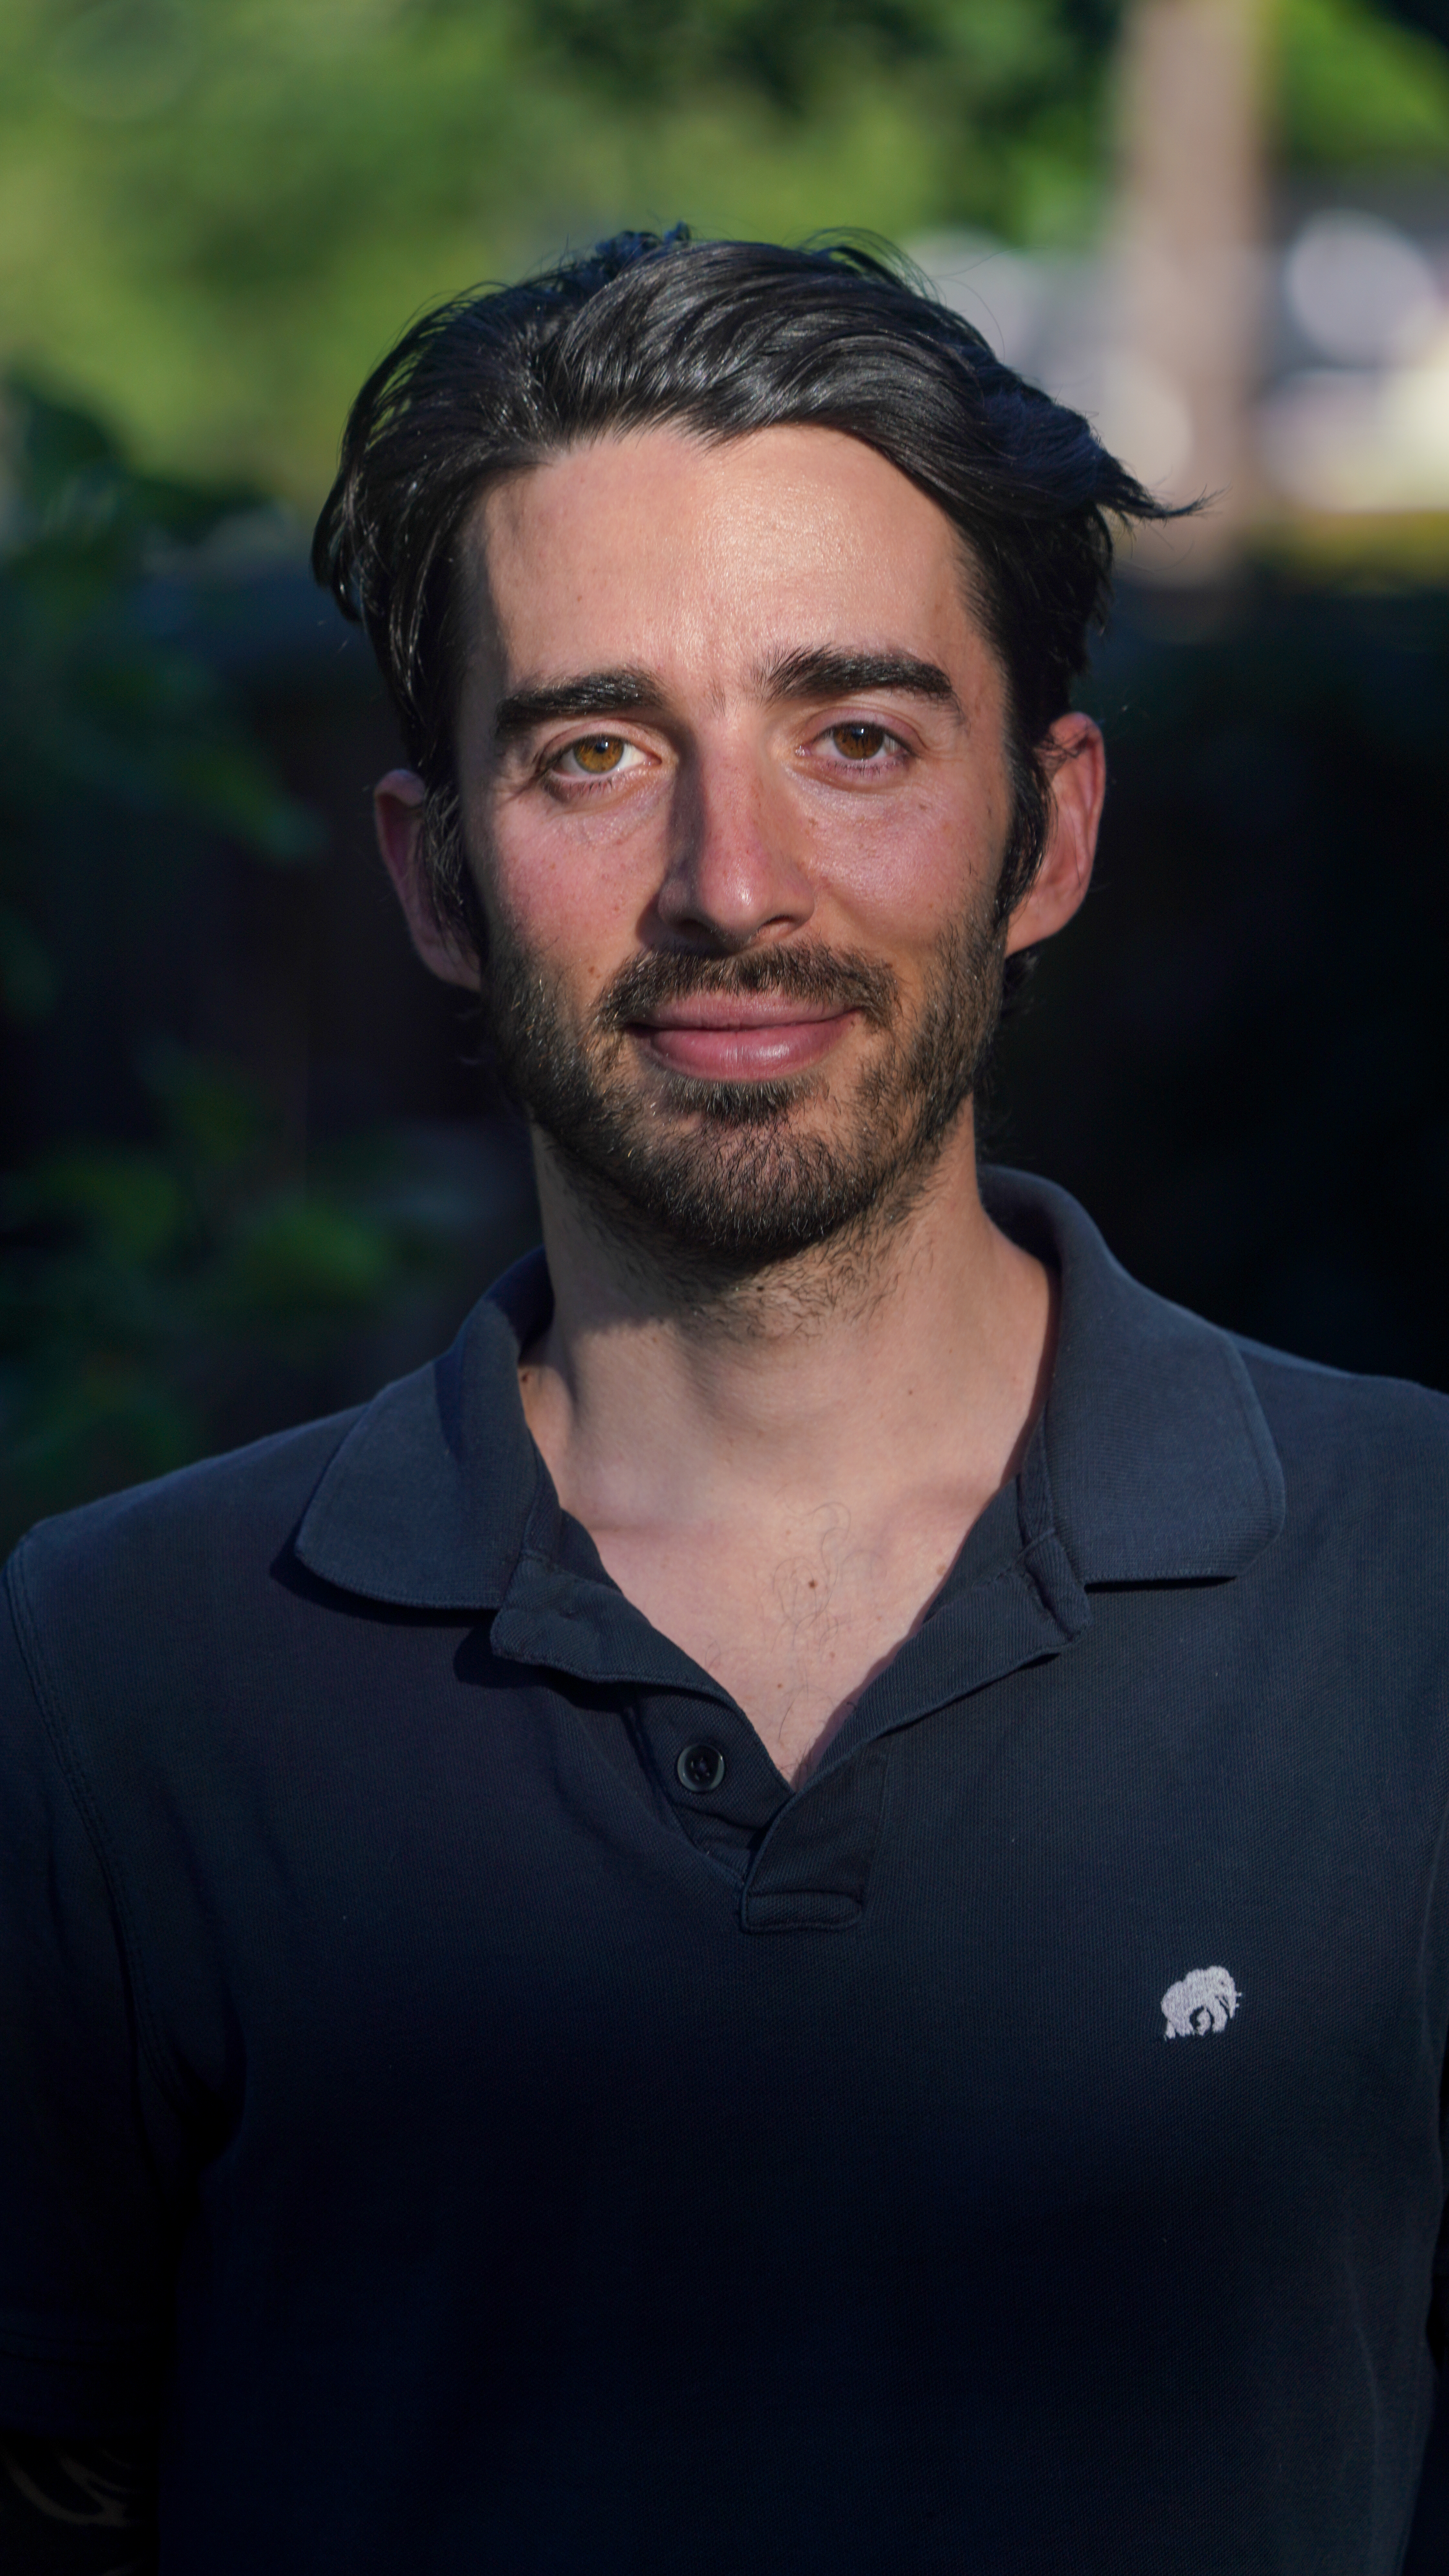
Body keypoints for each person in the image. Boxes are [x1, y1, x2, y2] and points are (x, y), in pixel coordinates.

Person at [1, 228, 1446, 2575]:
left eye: (853, 735)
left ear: (1047, 832)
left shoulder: (1416, 1593)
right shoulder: (122, 1679)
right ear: (440, 877)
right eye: (594, 753)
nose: (729, 883)